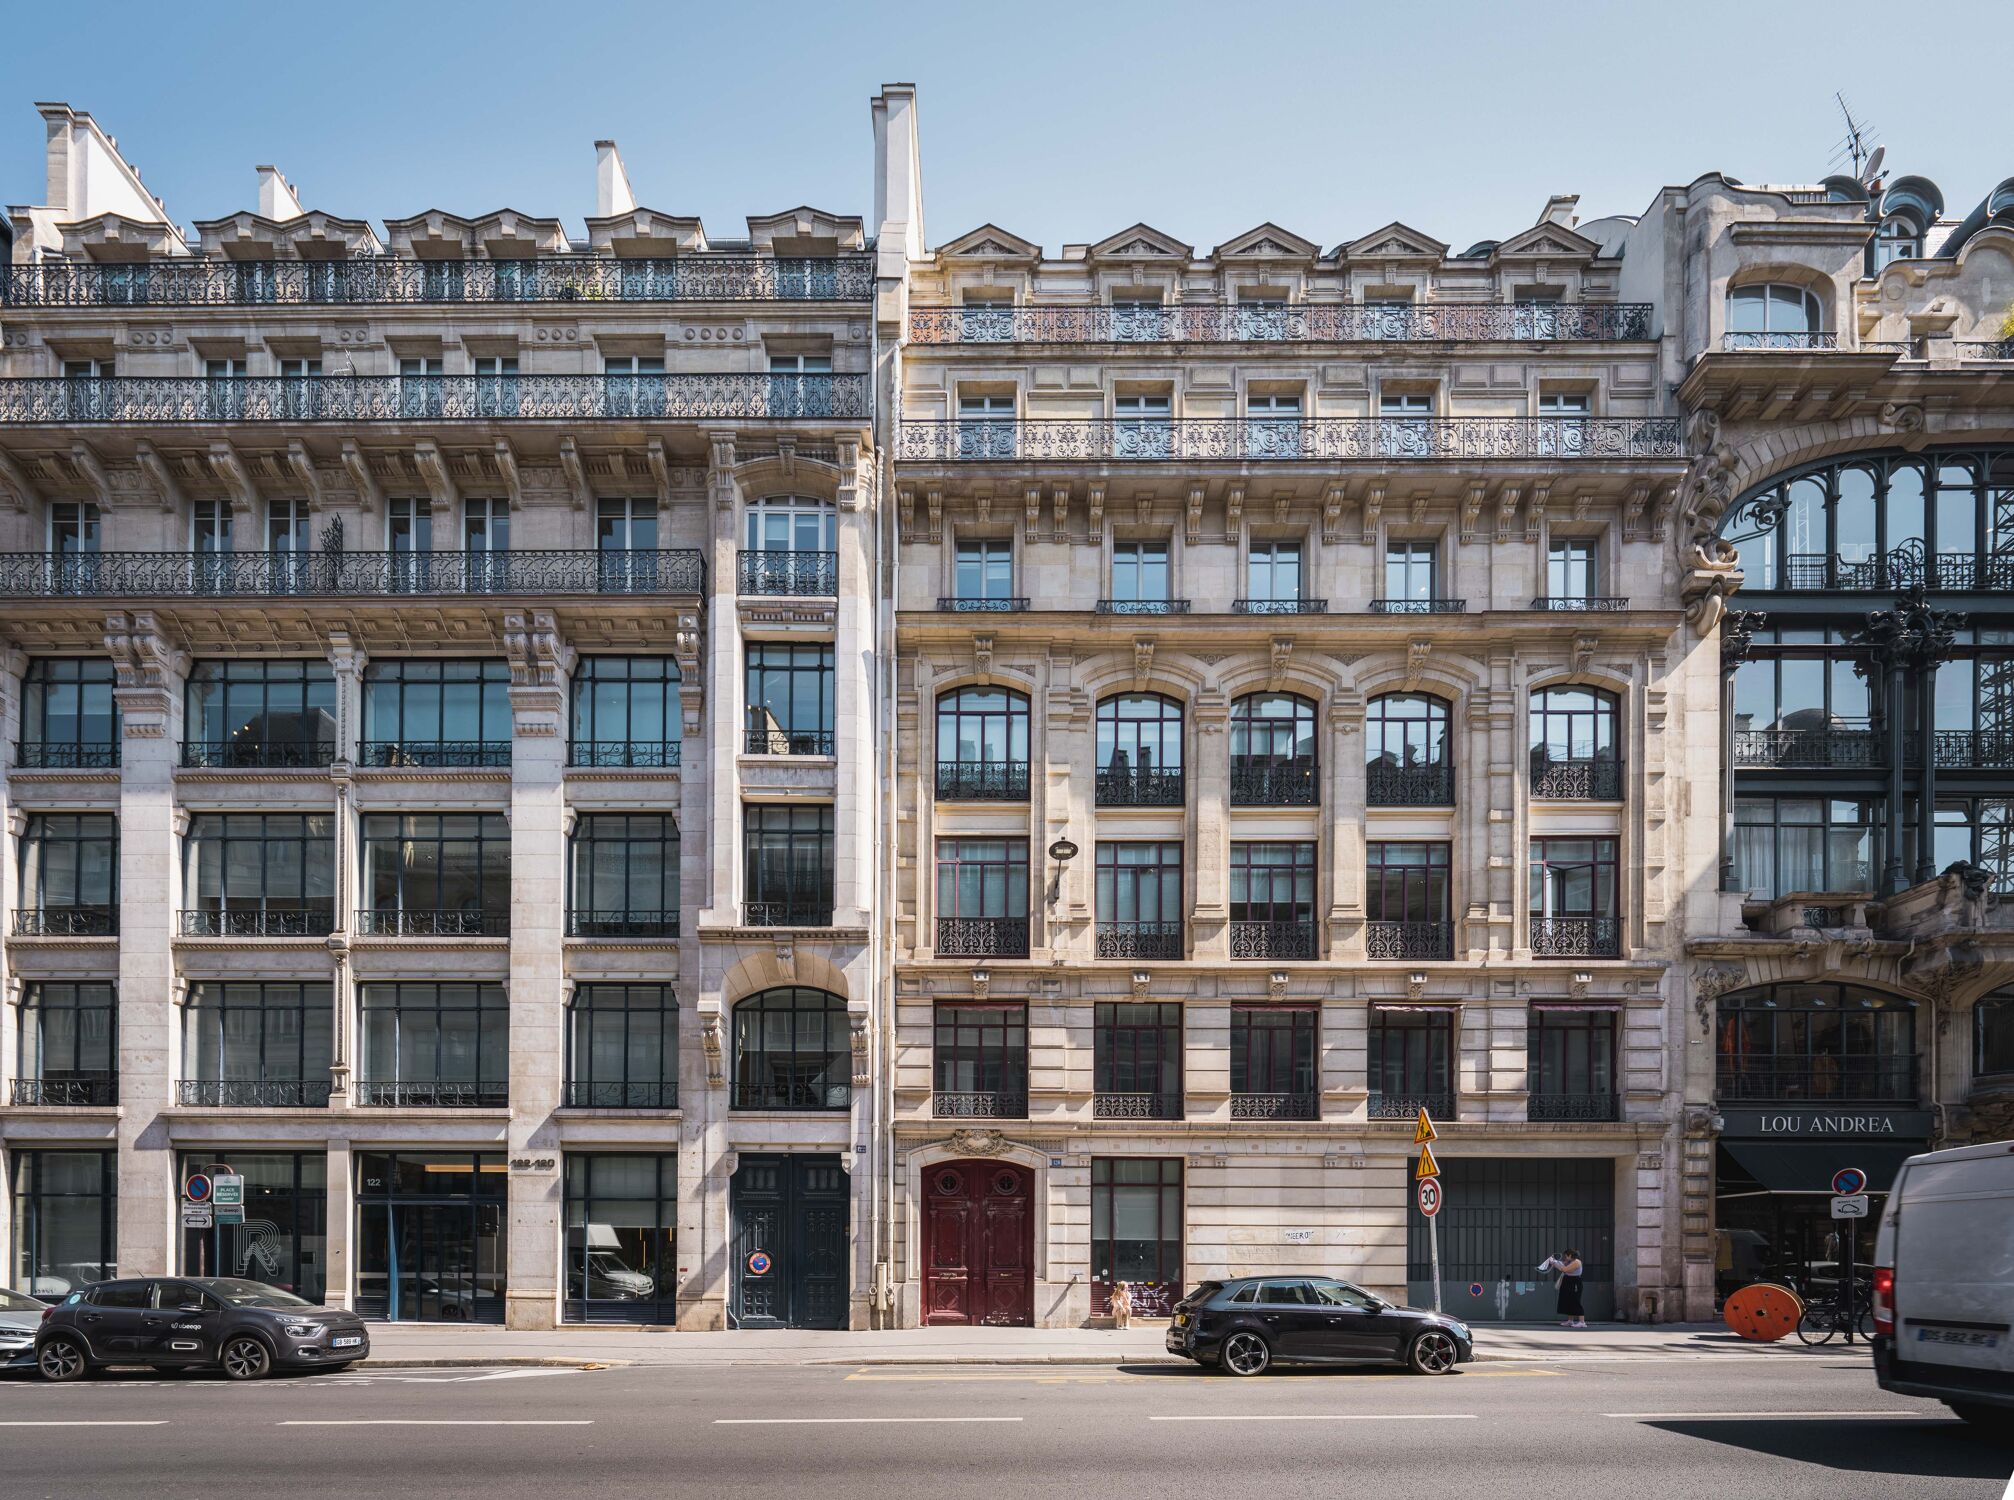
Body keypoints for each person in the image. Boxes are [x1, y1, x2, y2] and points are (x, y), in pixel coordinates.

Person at [1541, 1250, 1587, 1328]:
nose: (1565, 1258)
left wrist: (1554, 1263)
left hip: (1575, 1282)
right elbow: (1561, 1265)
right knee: (1568, 1301)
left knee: (1575, 1301)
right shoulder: (1569, 1261)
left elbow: (1564, 1269)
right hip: (1568, 1281)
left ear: (1570, 1255)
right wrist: (1554, 1262)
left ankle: (1582, 1322)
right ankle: (1570, 1321)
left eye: (1566, 1256)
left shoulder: (1576, 1262)